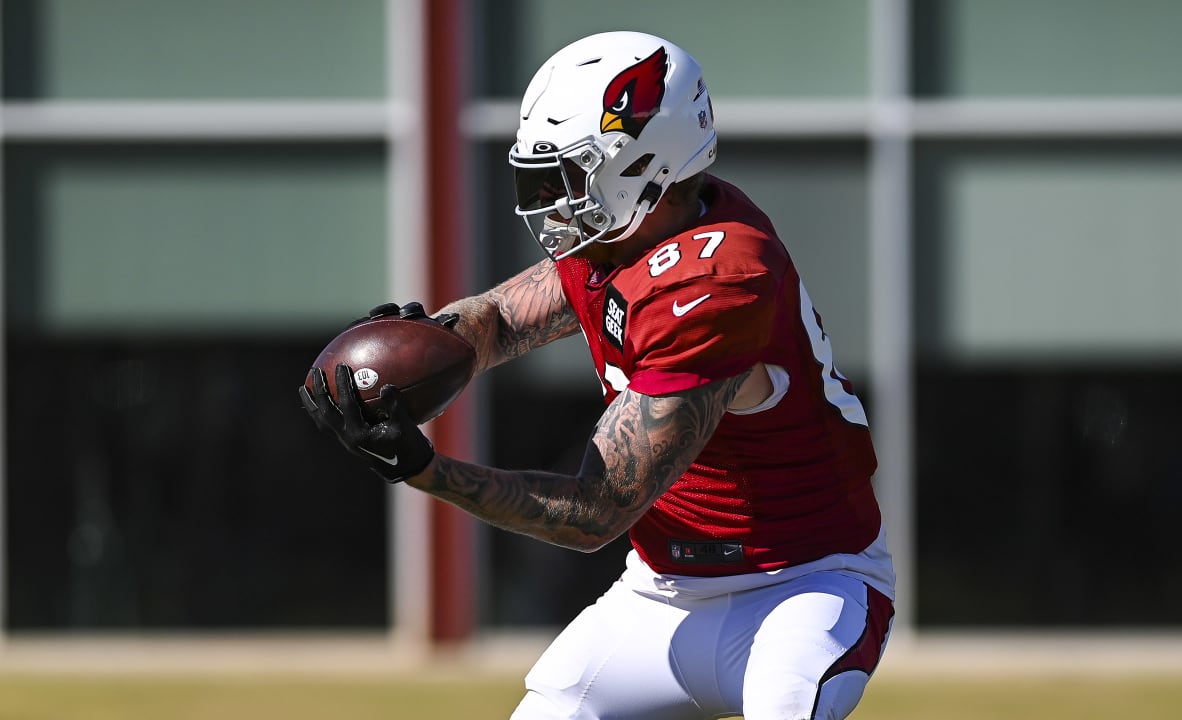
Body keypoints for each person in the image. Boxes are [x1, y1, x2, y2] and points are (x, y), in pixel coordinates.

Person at [300, 30, 895, 720]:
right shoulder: (626, 233)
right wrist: (420, 344)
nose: (552, 200)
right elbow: (502, 317)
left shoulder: (717, 283)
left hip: (803, 585)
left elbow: (593, 511)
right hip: (661, 592)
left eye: (568, 176)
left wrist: (425, 470)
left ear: (644, 164)